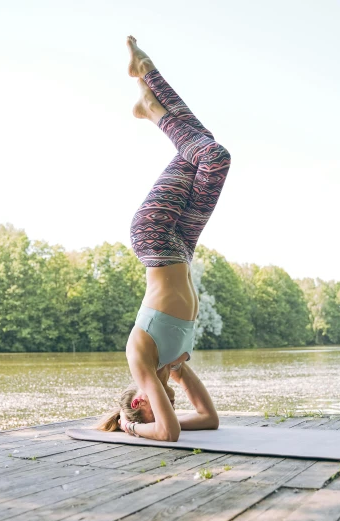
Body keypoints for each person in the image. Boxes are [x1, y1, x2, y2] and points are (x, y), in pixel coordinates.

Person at [96, 36, 231, 441]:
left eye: (163, 403)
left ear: (140, 402)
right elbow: (208, 419)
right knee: (208, 149)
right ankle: (148, 81)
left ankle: (152, 108)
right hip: (183, 245)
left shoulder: (140, 358)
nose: (173, 399)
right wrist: (176, 373)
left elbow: (169, 434)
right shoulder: (173, 361)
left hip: (154, 236)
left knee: (210, 154)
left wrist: (132, 430)